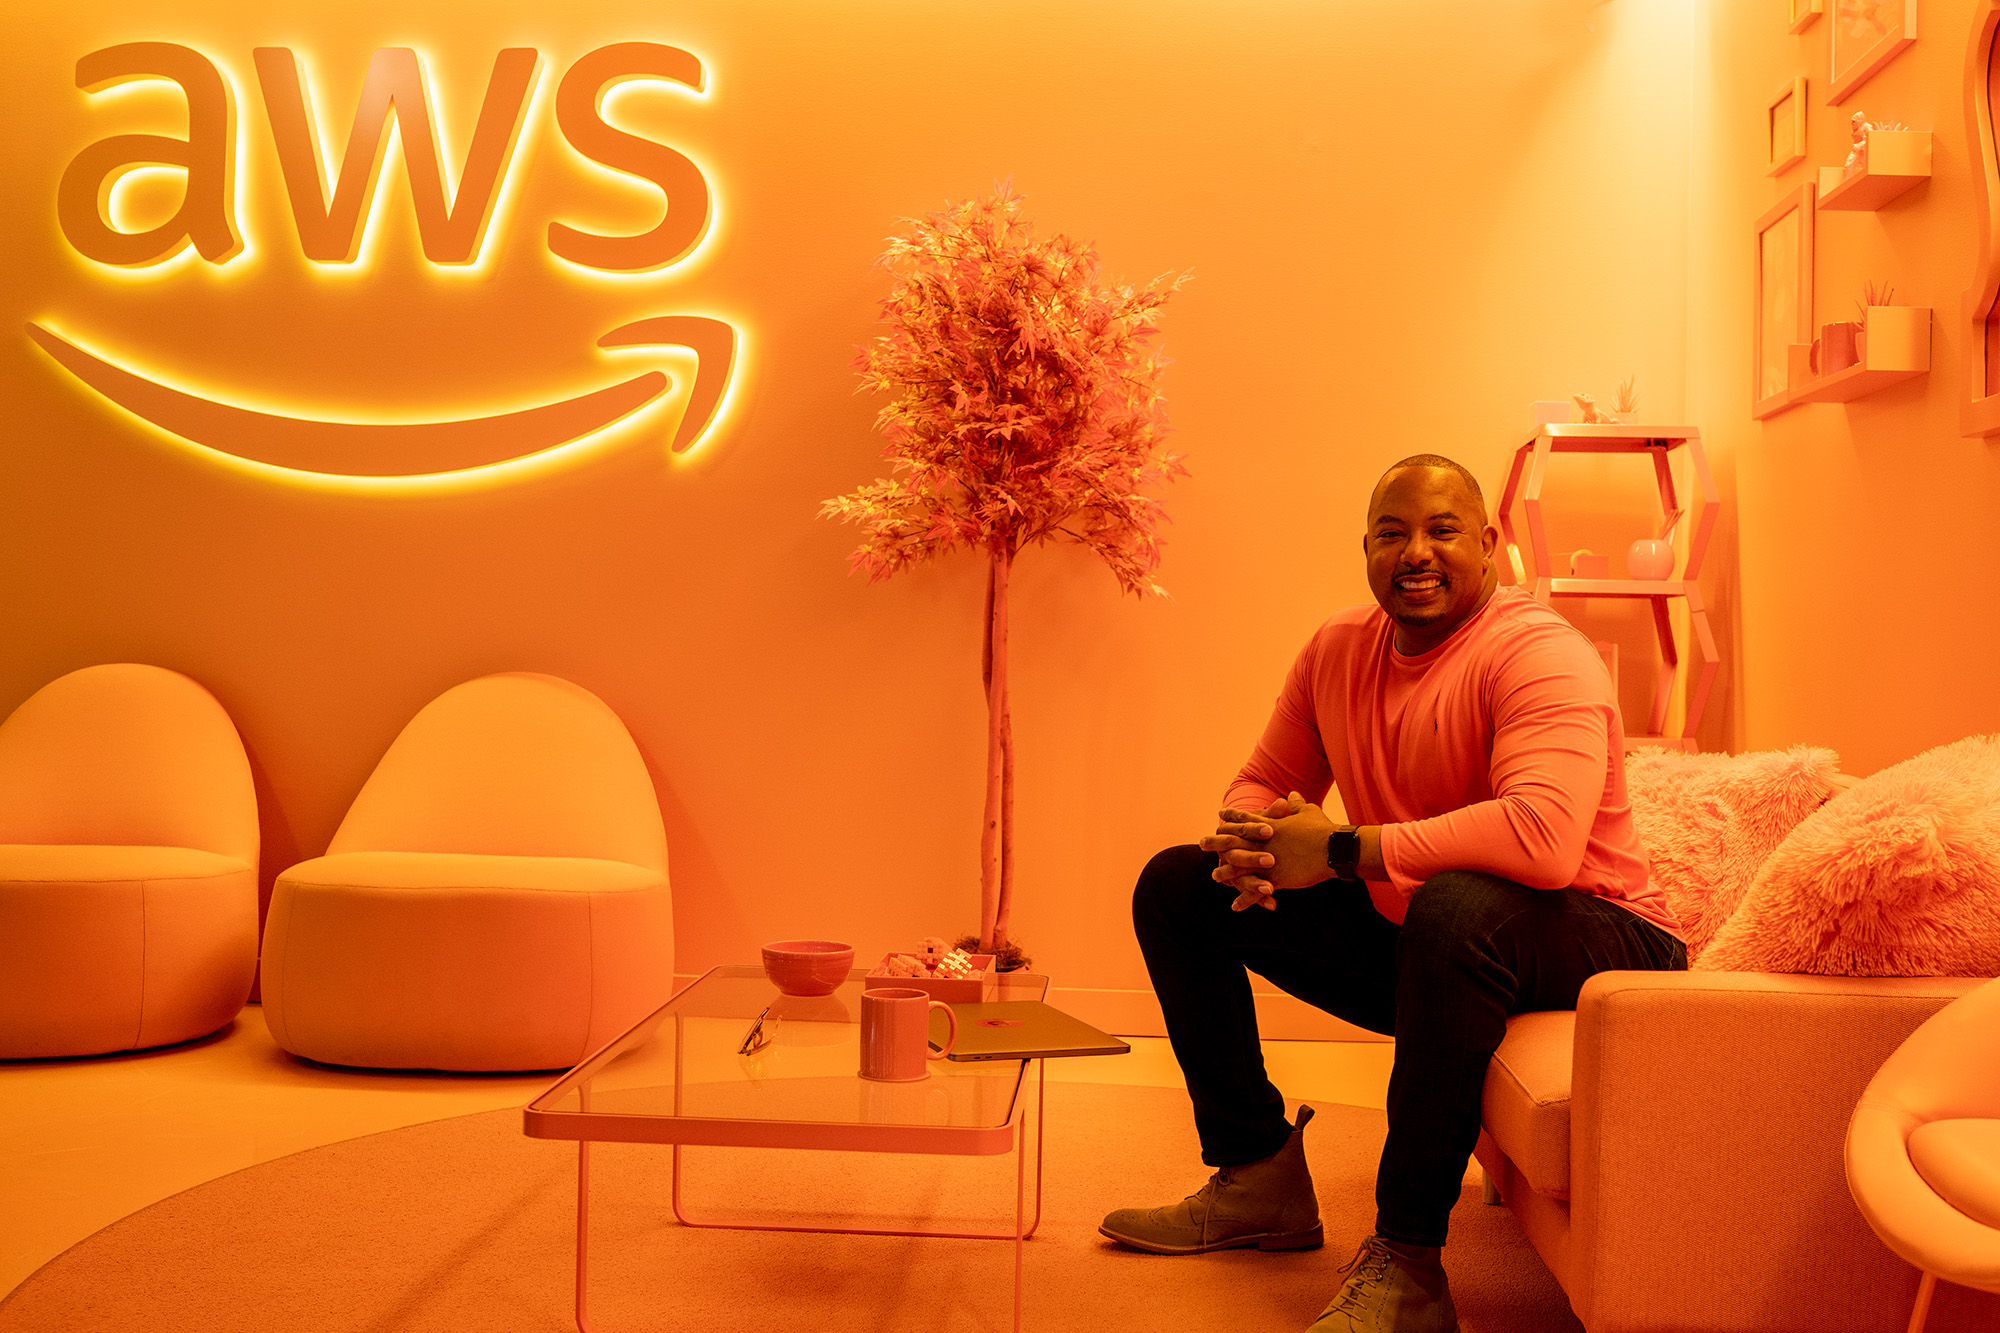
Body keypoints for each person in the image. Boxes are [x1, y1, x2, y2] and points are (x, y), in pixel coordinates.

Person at [1098, 455, 1687, 1333]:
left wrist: (1336, 850)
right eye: (1392, 532)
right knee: (1178, 885)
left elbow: (1543, 840)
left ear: (1488, 544)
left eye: (1442, 530)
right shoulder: (1338, 648)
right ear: (1365, 548)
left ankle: (1408, 1262)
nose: (1417, 552)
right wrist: (1249, 843)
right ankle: (1258, 1175)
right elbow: (1263, 777)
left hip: (1601, 940)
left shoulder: (1538, 653)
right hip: (1434, 942)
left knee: (1455, 903)